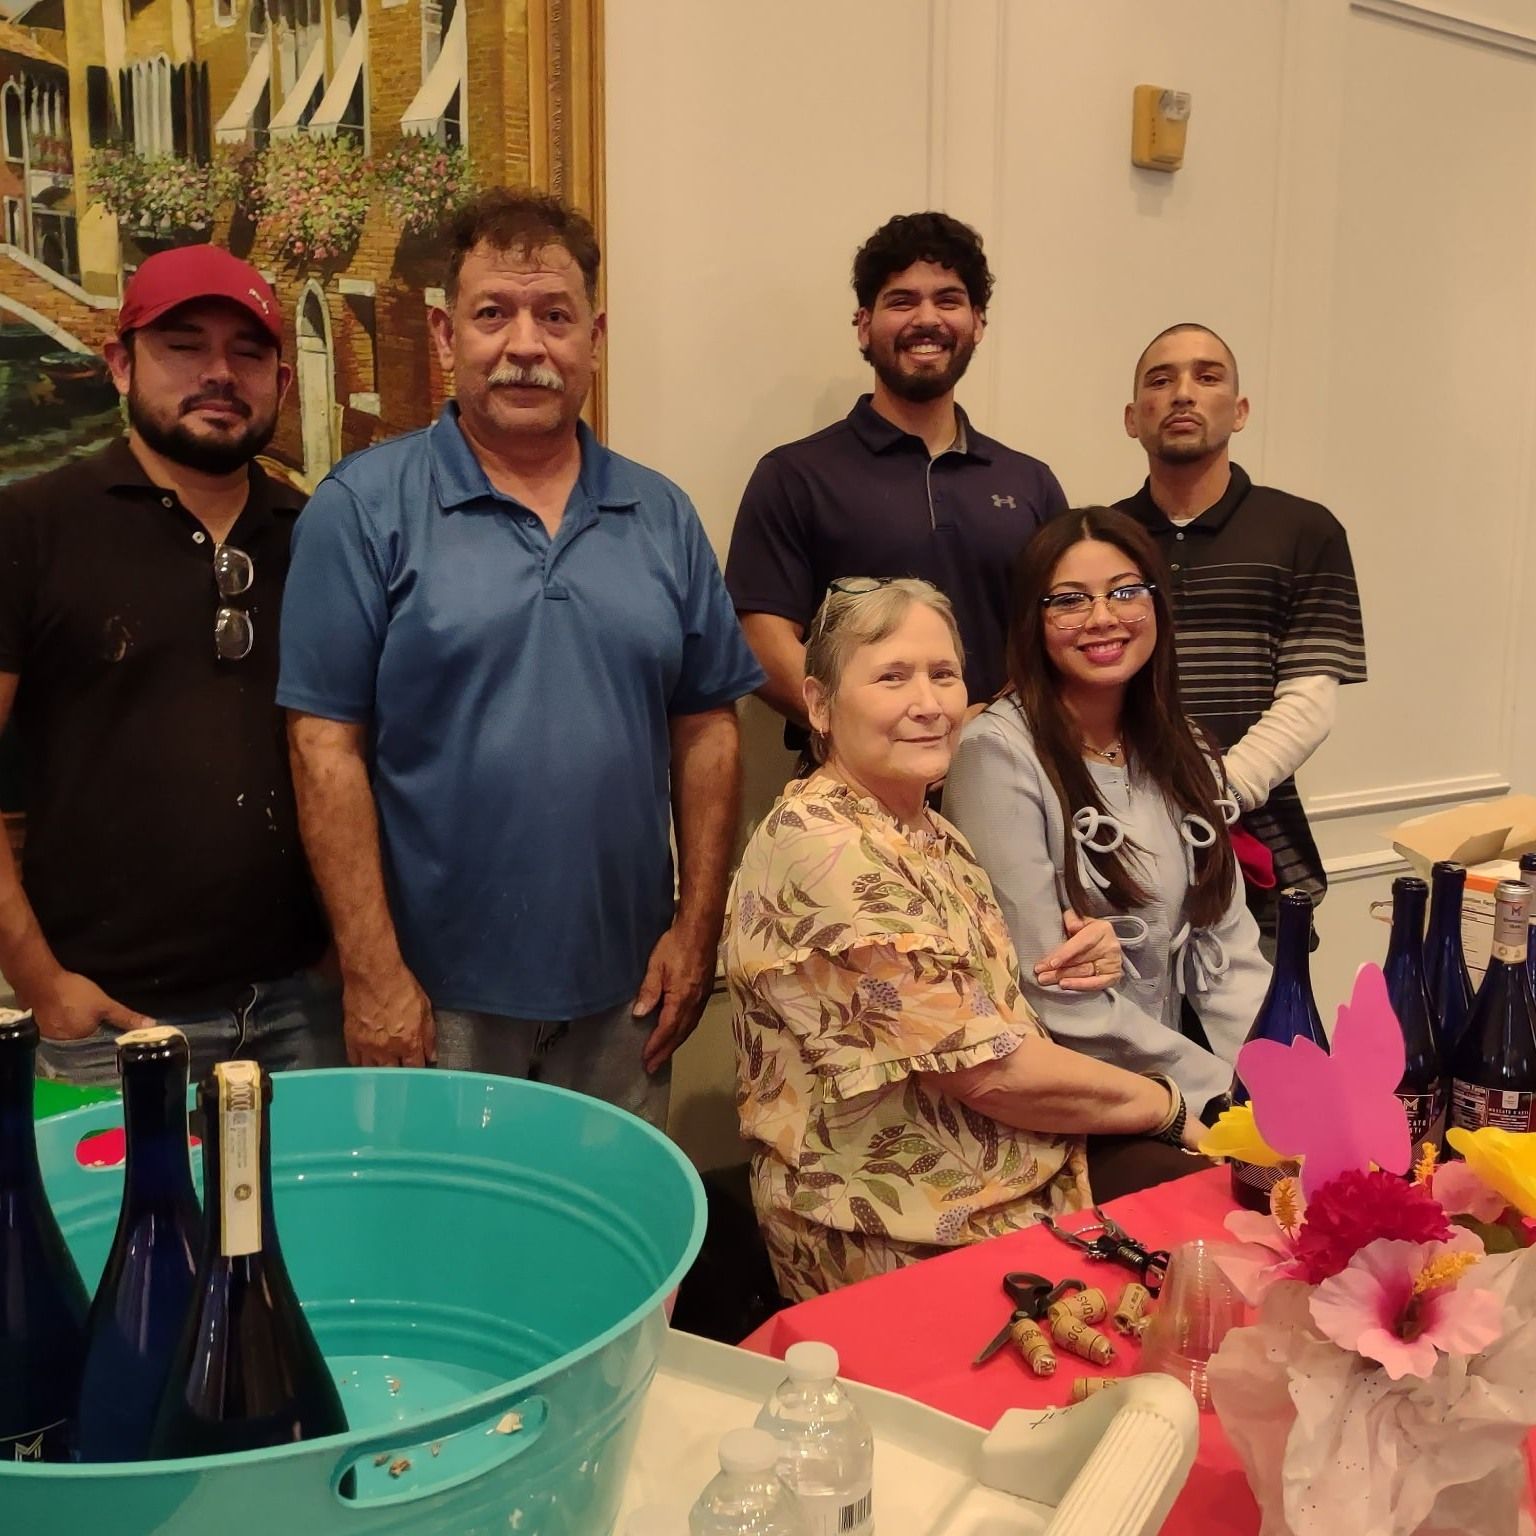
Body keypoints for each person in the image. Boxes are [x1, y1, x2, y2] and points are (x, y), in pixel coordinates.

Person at [279, 189, 763, 1127]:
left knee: (610, 1252)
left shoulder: (660, 515)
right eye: (493, 313)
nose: (526, 345)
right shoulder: (362, 510)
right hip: (436, 1001)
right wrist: (375, 974)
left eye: (555, 316)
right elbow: (321, 749)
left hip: (627, 1000)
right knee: (444, 1262)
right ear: (445, 332)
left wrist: (695, 930)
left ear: (595, 335)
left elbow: (707, 727)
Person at [722, 578, 1206, 1302]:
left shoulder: (926, 828)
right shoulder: (826, 848)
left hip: (1017, 1178)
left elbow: (980, 1003)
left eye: (944, 675)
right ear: (820, 705)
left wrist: (1098, 954)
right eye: (892, 677)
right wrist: (1173, 1107)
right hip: (901, 1230)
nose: (929, 703)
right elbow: (991, 1075)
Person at [0, 245, 341, 1082]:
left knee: (303, 1221)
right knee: (115, 1221)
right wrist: (42, 984)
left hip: (304, 1012)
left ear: (283, 385)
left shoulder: (324, 536)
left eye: (249, 352)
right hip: (109, 1023)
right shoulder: (31, 526)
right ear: (120, 364)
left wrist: (345, 959)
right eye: (183, 345)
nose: (219, 372)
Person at [944, 509, 1272, 1123]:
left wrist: (1286, 1084)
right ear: (1033, 621)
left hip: (1183, 1089)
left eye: (1125, 591)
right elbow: (1050, 993)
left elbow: (1229, 953)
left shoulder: (1186, 746)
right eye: (1068, 601)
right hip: (1084, 1106)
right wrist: (1225, 1103)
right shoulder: (996, 754)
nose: (1102, 618)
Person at [724, 211, 1067, 732]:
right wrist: (881, 730)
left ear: (978, 323)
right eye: (901, 300)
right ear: (864, 327)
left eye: (948, 300)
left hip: (1012, 775)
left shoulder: (1031, 483)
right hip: (853, 789)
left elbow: (1061, 629)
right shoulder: (794, 475)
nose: (926, 319)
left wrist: (984, 731)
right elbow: (762, 639)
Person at [1116, 323, 1367, 931]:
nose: (1182, 393)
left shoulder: (1306, 530)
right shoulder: (1101, 537)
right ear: (1132, 417)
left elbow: (1309, 701)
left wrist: (1213, 792)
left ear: (1241, 410)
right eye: (1161, 379)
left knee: (1264, 1025)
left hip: (1261, 849)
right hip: (1119, 843)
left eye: (1207, 377)